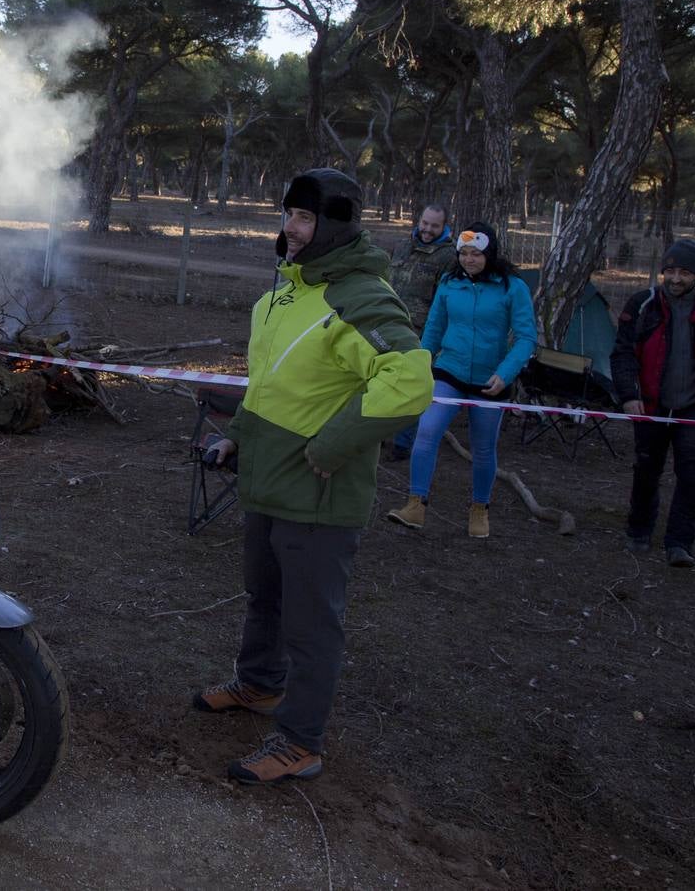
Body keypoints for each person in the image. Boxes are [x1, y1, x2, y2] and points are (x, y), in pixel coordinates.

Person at [193, 168, 433, 784]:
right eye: (288, 215)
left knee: (310, 622)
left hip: (319, 493)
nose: (291, 229)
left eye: (304, 218)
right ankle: (259, 686)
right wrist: (236, 439)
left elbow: (408, 379)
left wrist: (334, 445)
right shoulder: (284, 296)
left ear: (333, 224)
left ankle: (300, 742)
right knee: (264, 598)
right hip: (270, 484)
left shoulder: (359, 295)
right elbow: (271, 384)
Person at [386, 222, 536, 539]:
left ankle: (479, 509)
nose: (469, 260)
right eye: (464, 253)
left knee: (484, 448)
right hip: (448, 371)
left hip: (490, 381)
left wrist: (505, 373)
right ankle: (415, 504)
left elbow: (526, 338)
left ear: (490, 253)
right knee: (426, 432)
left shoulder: (512, 287)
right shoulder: (449, 282)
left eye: (476, 254)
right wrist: (422, 362)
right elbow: (434, 328)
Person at [610, 238, 695, 568]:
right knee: (647, 470)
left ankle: (680, 542)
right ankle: (638, 530)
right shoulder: (643, 304)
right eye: (671, 271)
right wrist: (629, 395)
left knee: (694, 473)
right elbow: (623, 353)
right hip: (651, 404)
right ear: (663, 271)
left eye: (684, 272)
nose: (676, 278)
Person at [386, 203, 454, 459]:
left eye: (434, 226)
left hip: (420, 333)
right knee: (381, 381)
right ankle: (377, 435)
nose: (427, 230)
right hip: (389, 324)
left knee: (411, 387)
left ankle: (402, 443)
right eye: (425, 223)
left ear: (444, 226)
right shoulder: (402, 246)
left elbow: (445, 301)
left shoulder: (449, 257)